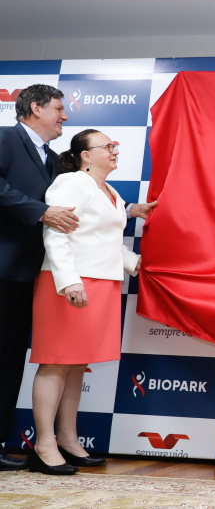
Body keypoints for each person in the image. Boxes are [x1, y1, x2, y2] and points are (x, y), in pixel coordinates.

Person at [28, 129, 144, 475]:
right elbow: (56, 232)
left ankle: (67, 439)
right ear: (85, 155)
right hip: (69, 283)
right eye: (107, 147)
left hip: (101, 284)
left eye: (114, 146)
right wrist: (69, 281)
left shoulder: (109, 190)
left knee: (77, 364)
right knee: (56, 361)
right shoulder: (71, 182)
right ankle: (43, 444)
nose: (114, 151)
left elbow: (102, 240)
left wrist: (135, 264)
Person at [0, 84, 78, 471]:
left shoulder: (51, 157)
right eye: (59, 108)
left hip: (28, 274)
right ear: (35, 108)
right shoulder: (6, 138)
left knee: (11, 357)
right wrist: (39, 211)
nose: (65, 116)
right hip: (2, 266)